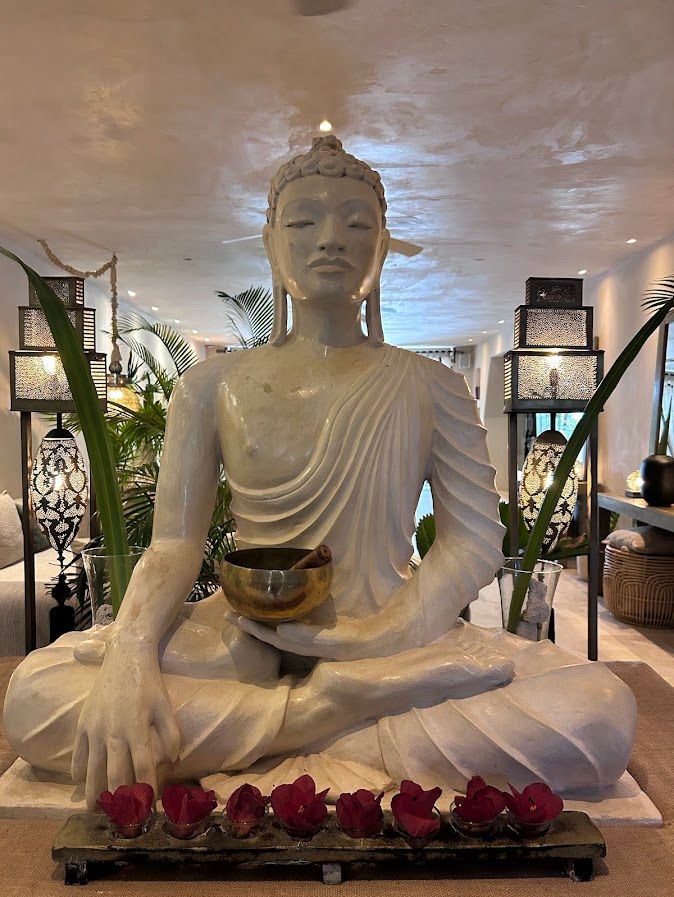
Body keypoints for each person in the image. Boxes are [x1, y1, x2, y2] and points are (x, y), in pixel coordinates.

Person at [4, 137, 635, 808]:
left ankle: (285, 729)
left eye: (356, 223)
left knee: (600, 709)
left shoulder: (431, 385)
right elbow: (174, 544)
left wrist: (374, 636)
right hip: (241, 641)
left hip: (396, 637)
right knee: (34, 694)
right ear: (272, 245)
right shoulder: (212, 386)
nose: (331, 239)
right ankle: (329, 715)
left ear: (383, 247)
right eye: (304, 221)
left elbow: (473, 541)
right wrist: (132, 647)